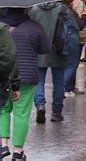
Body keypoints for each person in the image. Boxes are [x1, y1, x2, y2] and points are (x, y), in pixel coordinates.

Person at [0, 8, 50, 160]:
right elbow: (45, 49)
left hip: (3, 75)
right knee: (21, 113)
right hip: (27, 75)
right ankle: (18, 151)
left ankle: (3, 146)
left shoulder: (2, 27)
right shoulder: (35, 26)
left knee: (3, 110)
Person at [30, 1, 77, 123]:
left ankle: (40, 105)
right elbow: (73, 28)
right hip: (59, 49)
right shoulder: (62, 9)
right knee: (59, 82)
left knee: (39, 81)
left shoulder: (34, 10)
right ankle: (56, 112)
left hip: (39, 50)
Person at [63, 0, 86, 97]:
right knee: (71, 65)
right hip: (72, 39)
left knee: (63, 65)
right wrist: (84, 15)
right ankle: (64, 88)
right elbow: (80, 24)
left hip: (60, 40)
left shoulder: (57, 10)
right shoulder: (70, 11)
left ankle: (66, 87)